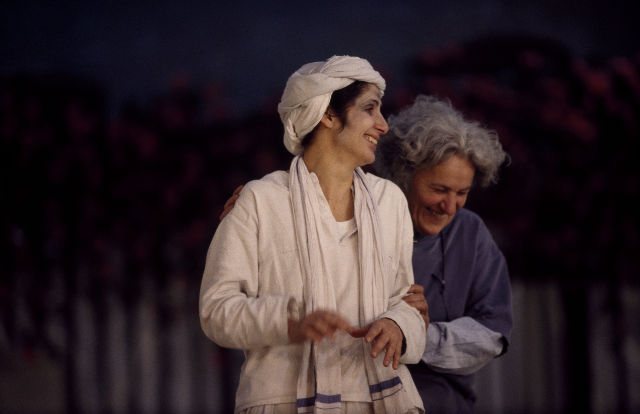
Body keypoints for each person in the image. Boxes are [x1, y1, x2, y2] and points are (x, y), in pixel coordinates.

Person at [200, 55, 426, 414]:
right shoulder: (262, 201)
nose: (383, 125)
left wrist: (398, 324)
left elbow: (406, 300)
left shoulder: (389, 202)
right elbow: (217, 310)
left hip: (381, 399)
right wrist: (290, 320)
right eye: (370, 109)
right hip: (282, 401)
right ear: (328, 114)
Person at [374, 95, 513, 414]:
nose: (450, 207)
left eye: (461, 193)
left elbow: (492, 333)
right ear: (402, 175)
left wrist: (417, 337)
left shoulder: (470, 232)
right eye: (439, 190)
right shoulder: (364, 224)